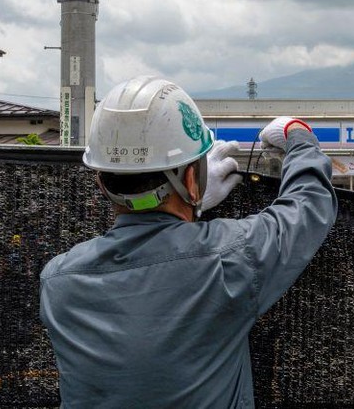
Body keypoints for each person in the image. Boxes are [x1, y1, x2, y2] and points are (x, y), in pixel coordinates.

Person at [39, 76, 338, 408]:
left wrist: (189, 203)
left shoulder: (57, 282)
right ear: (194, 178)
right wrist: (298, 134)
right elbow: (308, 206)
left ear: (100, 180)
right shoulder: (228, 260)